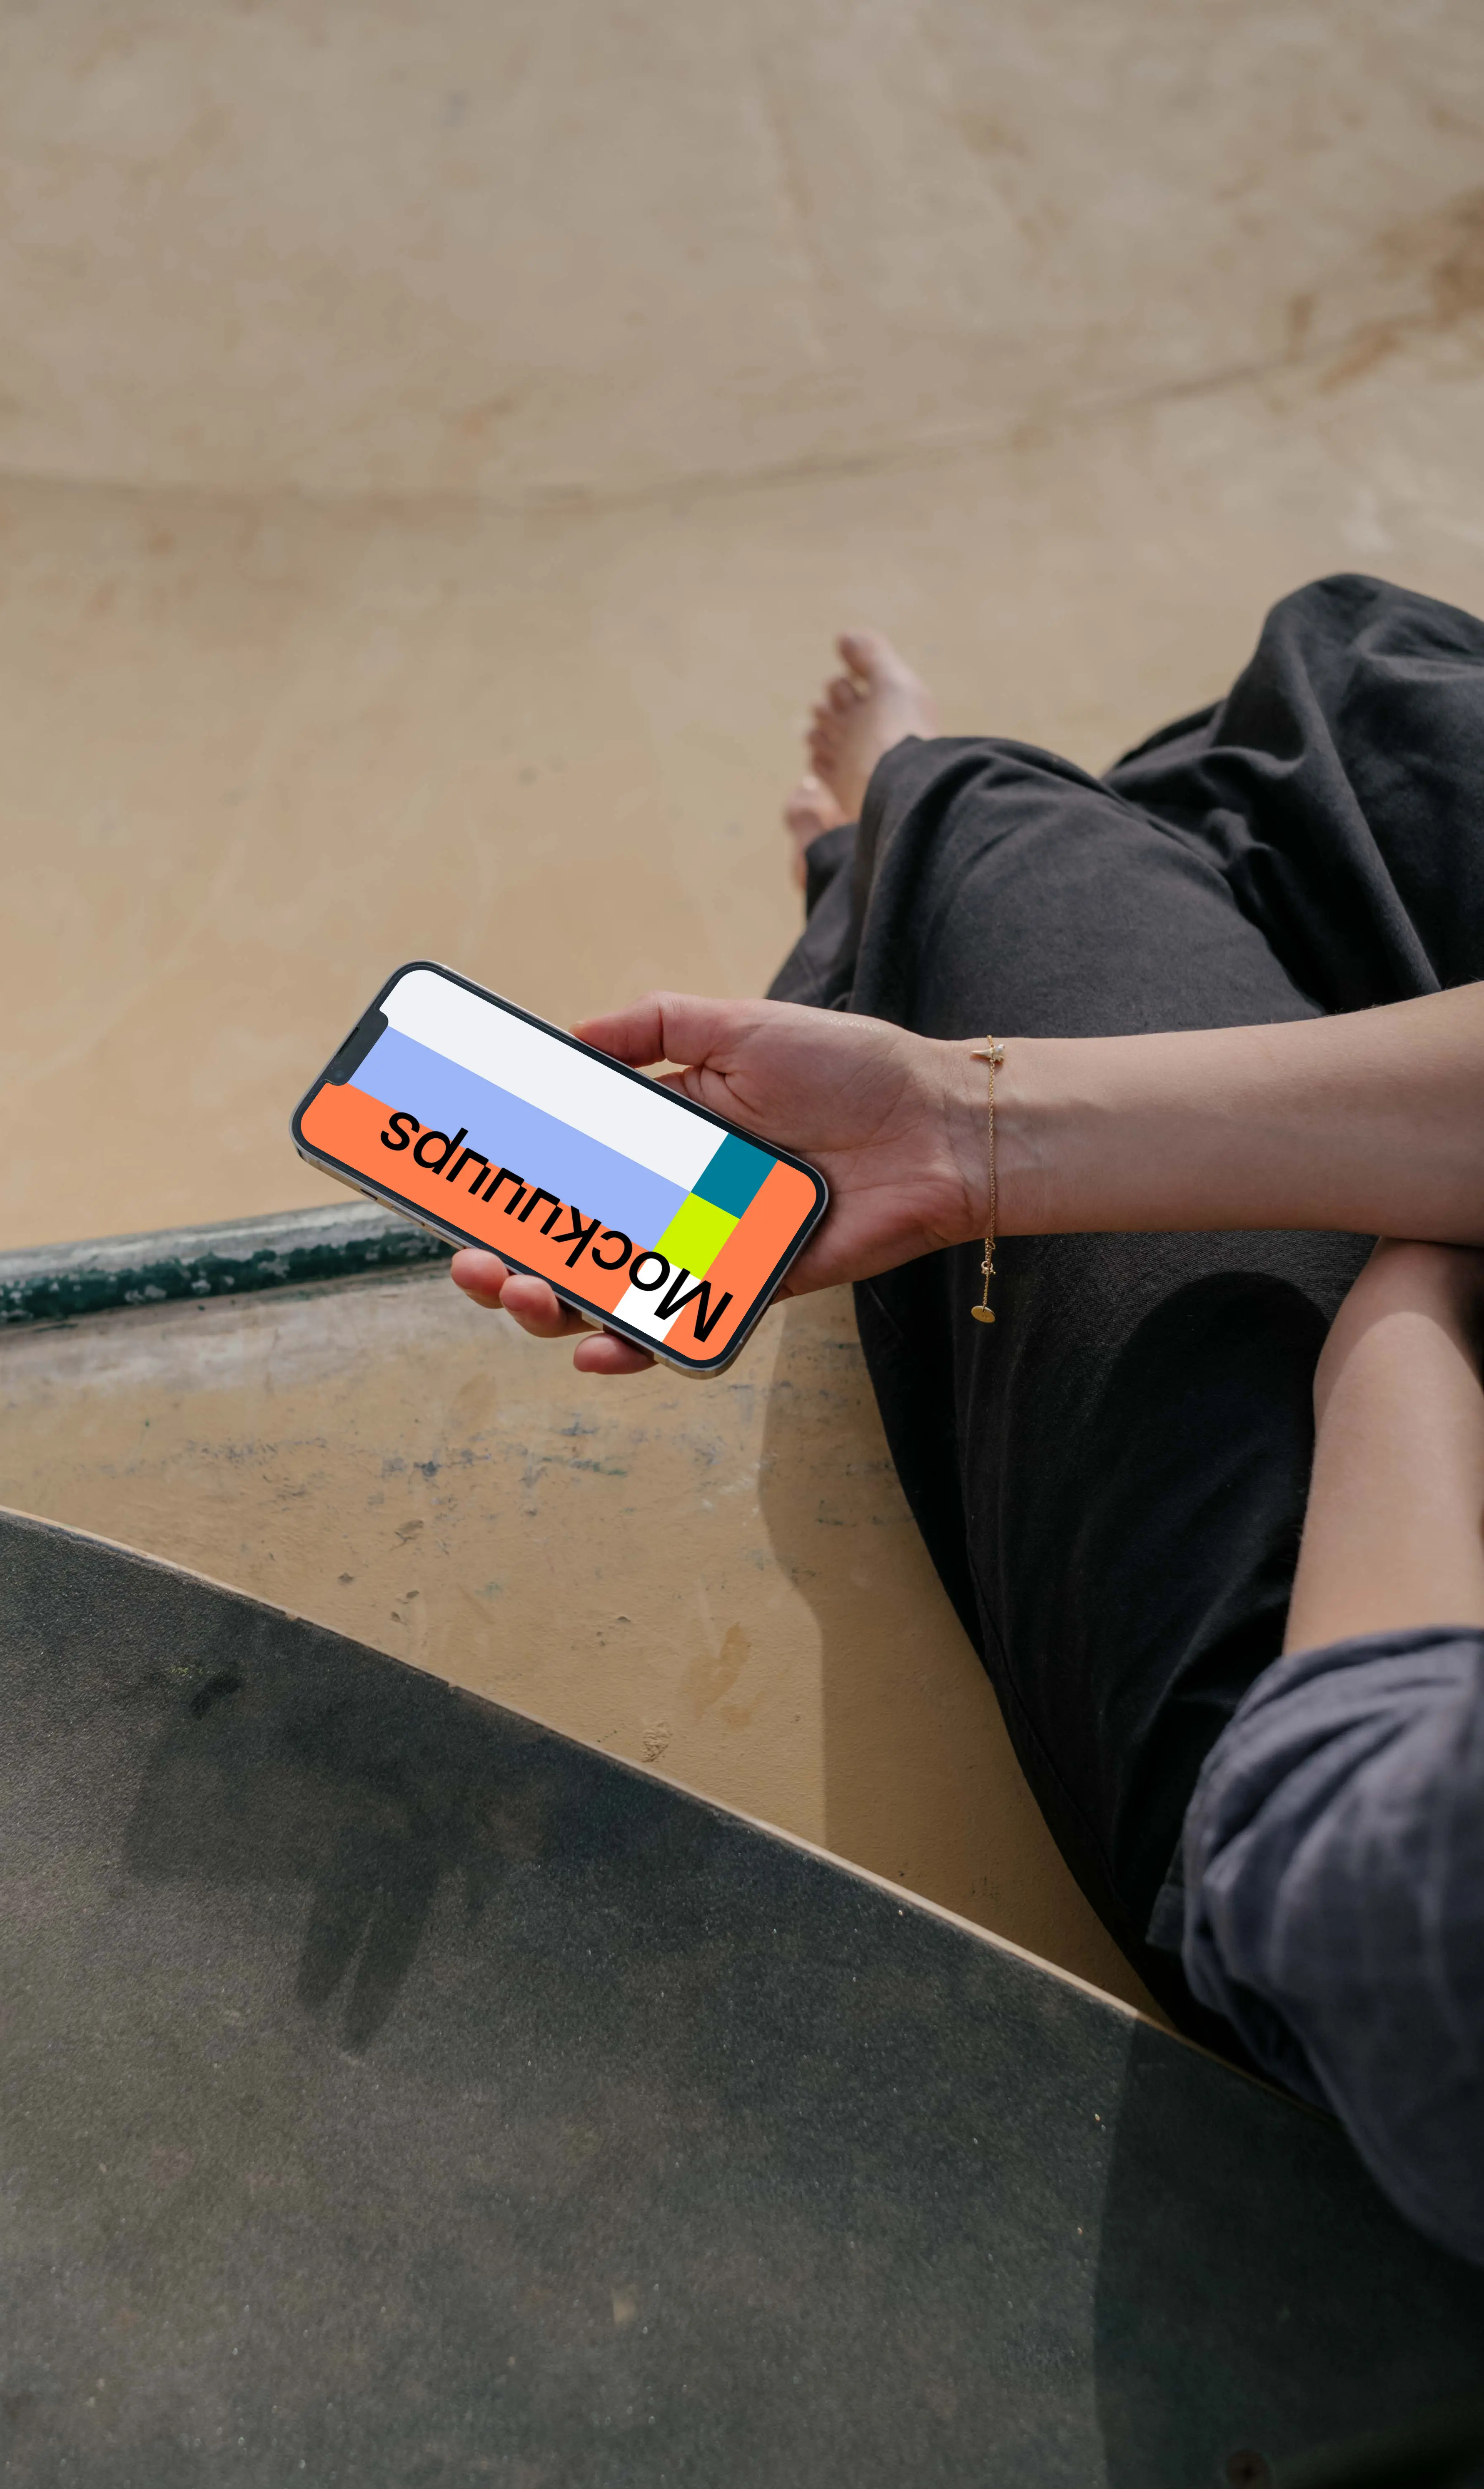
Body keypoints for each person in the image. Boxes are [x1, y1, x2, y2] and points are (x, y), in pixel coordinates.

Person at [451, 574, 1484, 2266]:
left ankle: (911, 856)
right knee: (1363, 695)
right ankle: (957, 882)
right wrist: (956, 1124)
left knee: (1064, 831)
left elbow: (1360, 1850)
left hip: (1361, 1807)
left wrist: (1414, 1277)